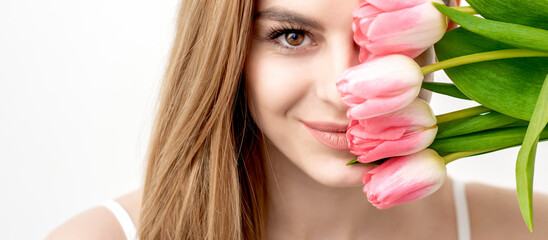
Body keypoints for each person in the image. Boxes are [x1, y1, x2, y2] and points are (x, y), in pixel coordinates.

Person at [46, 0, 548, 239]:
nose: (341, 90)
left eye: (380, 42)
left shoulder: (526, 227)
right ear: (228, 52)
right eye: (292, 36)